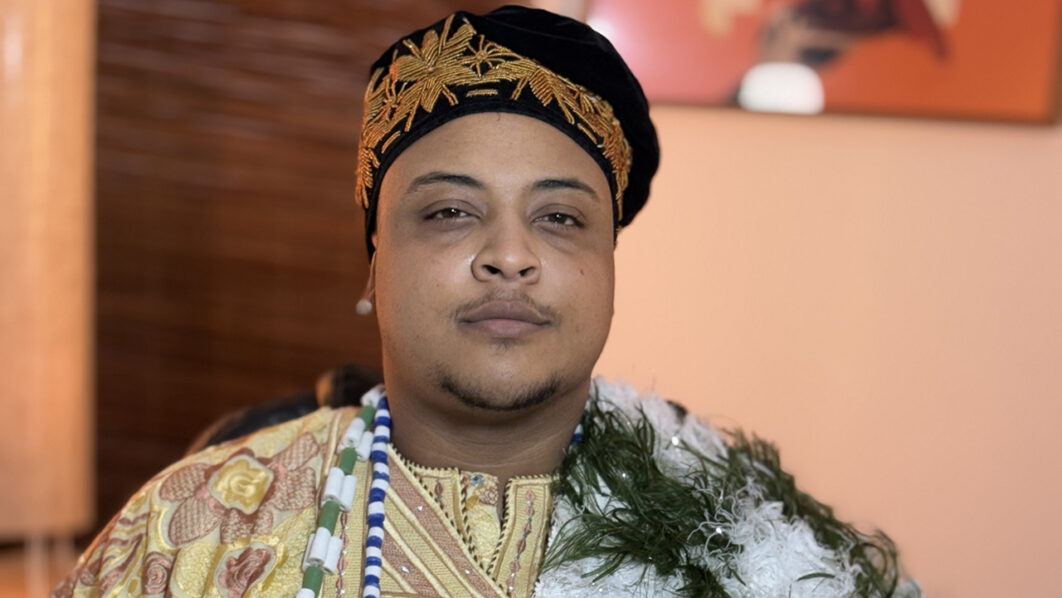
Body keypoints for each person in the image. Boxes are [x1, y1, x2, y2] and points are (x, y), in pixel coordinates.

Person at [54, 6, 919, 598]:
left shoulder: (747, 538)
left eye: (560, 219)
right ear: (373, 266)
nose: (510, 254)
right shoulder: (190, 527)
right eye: (450, 213)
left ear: (608, 269)